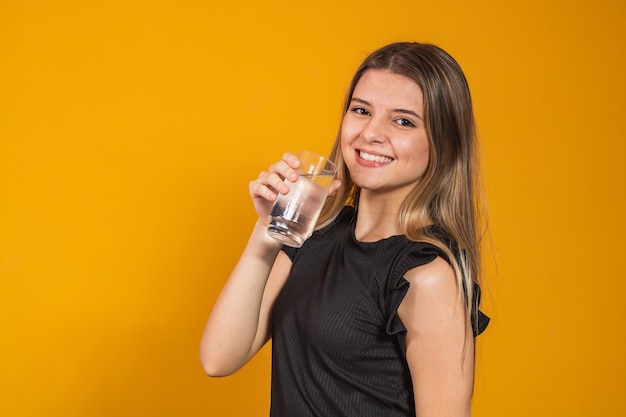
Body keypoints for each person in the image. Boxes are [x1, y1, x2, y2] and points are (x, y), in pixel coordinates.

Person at [200, 41, 490, 417]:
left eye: (403, 120)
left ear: (443, 143)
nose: (370, 132)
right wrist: (266, 234)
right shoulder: (315, 235)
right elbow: (219, 358)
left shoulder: (425, 273)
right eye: (361, 110)